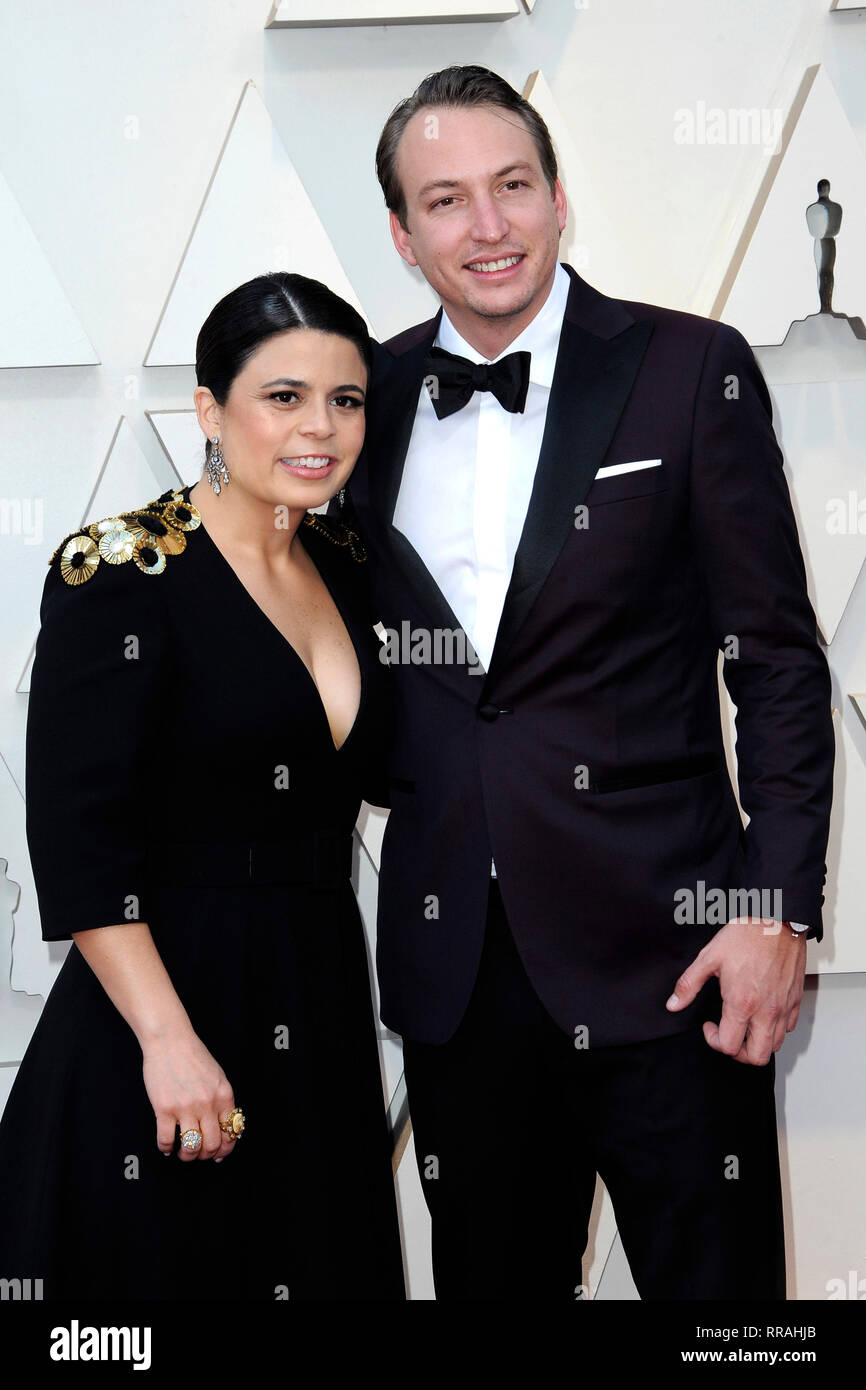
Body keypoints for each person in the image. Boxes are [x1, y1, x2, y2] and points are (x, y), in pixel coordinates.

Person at [333, 66, 835, 1300]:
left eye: (511, 187)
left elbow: (772, 660)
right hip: (460, 970)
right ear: (402, 236)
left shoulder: (688, 369)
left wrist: (773, 912)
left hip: (675, 960)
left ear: (559, 198)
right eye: (444, 201)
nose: (487, 226)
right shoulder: (366, 402)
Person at [0, 272, 405, 1301]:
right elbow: (78, 838)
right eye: (282, 396)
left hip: (313, 987)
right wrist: (170, 1042)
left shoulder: (348, 561)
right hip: (165, 997)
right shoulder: (118, 569)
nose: (319, 427)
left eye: (344, 399)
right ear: (209, 410)